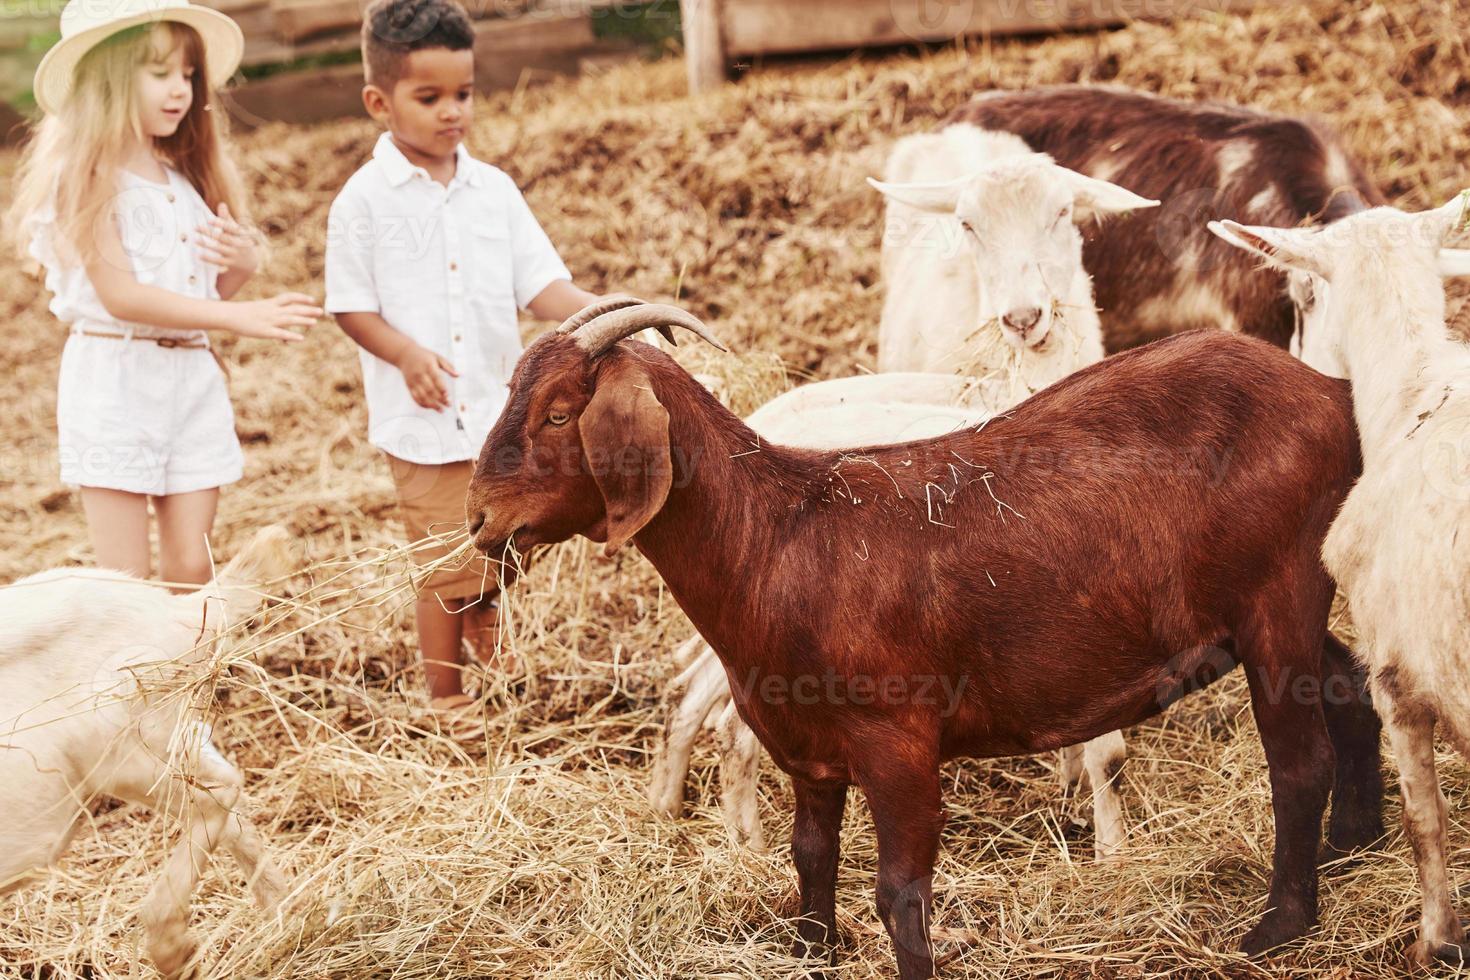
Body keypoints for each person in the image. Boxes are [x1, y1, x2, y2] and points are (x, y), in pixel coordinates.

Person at [325, 0, 613, 718]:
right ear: (378, 101)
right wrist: (403, 352)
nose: (452, 112)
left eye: (464, 94)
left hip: (495, 414)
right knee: (440, 560)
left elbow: (539, 284)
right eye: (430, 98)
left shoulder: (494, 192)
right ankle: (445, 696)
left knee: (503, 534)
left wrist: (602, 309)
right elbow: (349, 304)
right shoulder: (363, 202)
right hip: (421, 421)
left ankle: (484, 607)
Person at [7, 0, 320, 583]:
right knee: (123, 580)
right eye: (160, 73)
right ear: (110, 78)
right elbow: (123, 296)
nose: (179, 89)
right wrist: (239, 316)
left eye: (187, 74)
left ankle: (190, 675)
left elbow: (202, 288)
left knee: (189, 569)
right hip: (116, 382)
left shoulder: (183, 179)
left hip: (190, 383)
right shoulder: (89, 176)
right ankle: (133, 677)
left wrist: (242, 267)